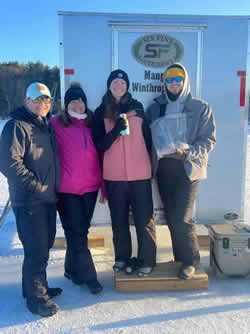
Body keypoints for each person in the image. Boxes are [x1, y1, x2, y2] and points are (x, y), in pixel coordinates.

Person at [146, 63, 216, 279]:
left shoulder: (200, 107)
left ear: (185, 81)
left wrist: (189, 152)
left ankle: (190, 261)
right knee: (171, 216)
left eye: (178, 79)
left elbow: (208, 140)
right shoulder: (155, 108)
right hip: (164, 170)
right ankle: (180, 259)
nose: (174, 83)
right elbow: (147, 139)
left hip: (188, 169)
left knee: (182, 218)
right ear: (164, 83)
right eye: (170, 80)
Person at [0, 83, 61, 317]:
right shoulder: (17, 126)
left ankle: (36, 288)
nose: (42, 103)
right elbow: (8, 163)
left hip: (46, 198)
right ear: (27, 101)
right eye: (36, 99)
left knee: (43, 246)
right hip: (29, 200)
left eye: (45, 100)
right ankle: (37, 300)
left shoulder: (45, 126)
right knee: (36, 250)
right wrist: (36, 187)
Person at [93, 69, 156, 277]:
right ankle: (122, 258)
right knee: (119, 221)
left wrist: (149, 166)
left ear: (127, 85)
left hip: (140, 175)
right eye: (114, 82)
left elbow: (148, 141)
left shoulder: (138, 109)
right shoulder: (100, 111)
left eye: (122, 82)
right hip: (114, 177)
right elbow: (99, 145)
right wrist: (114, 132)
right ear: (109, 86)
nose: (118, 86)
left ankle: (147, 260)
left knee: (144, 220)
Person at [50, 82, 104, 294]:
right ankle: (90, 277)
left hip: (90, 189)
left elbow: (100, 155)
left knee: (79, 232)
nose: (77, 104)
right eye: (72, 100)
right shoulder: (55, 123)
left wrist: (103, 186)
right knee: (77, 234)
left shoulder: (93, 125)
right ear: (66, 105)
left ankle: (71, 269)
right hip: (66, 190)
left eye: (80, 100)